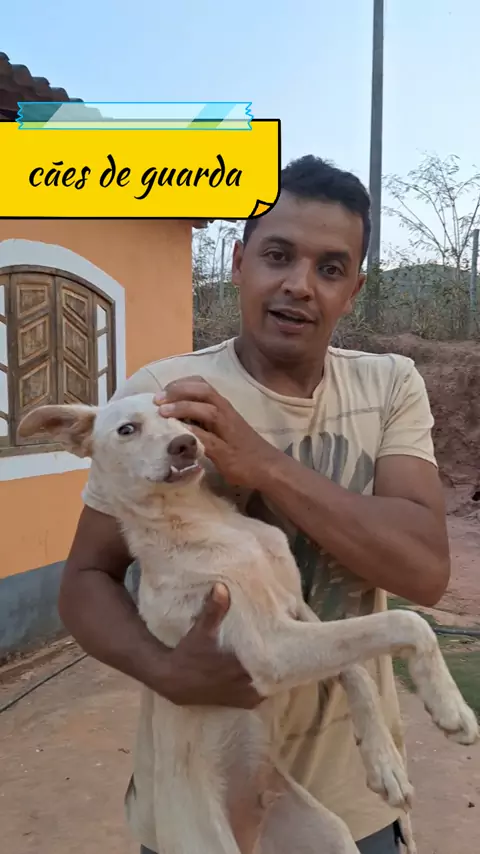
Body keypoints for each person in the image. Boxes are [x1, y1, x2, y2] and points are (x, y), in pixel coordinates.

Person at [59, 155, 450, 854]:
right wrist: (166, 670)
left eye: (330, 268)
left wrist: (263, 465)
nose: (299, 284)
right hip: (196, 800)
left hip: (351, 802)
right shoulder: (159, 399)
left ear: (353, 292)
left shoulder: (391, 386)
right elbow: (86, 577)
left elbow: (423, 570)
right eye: (277, 255)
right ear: (238, 263)